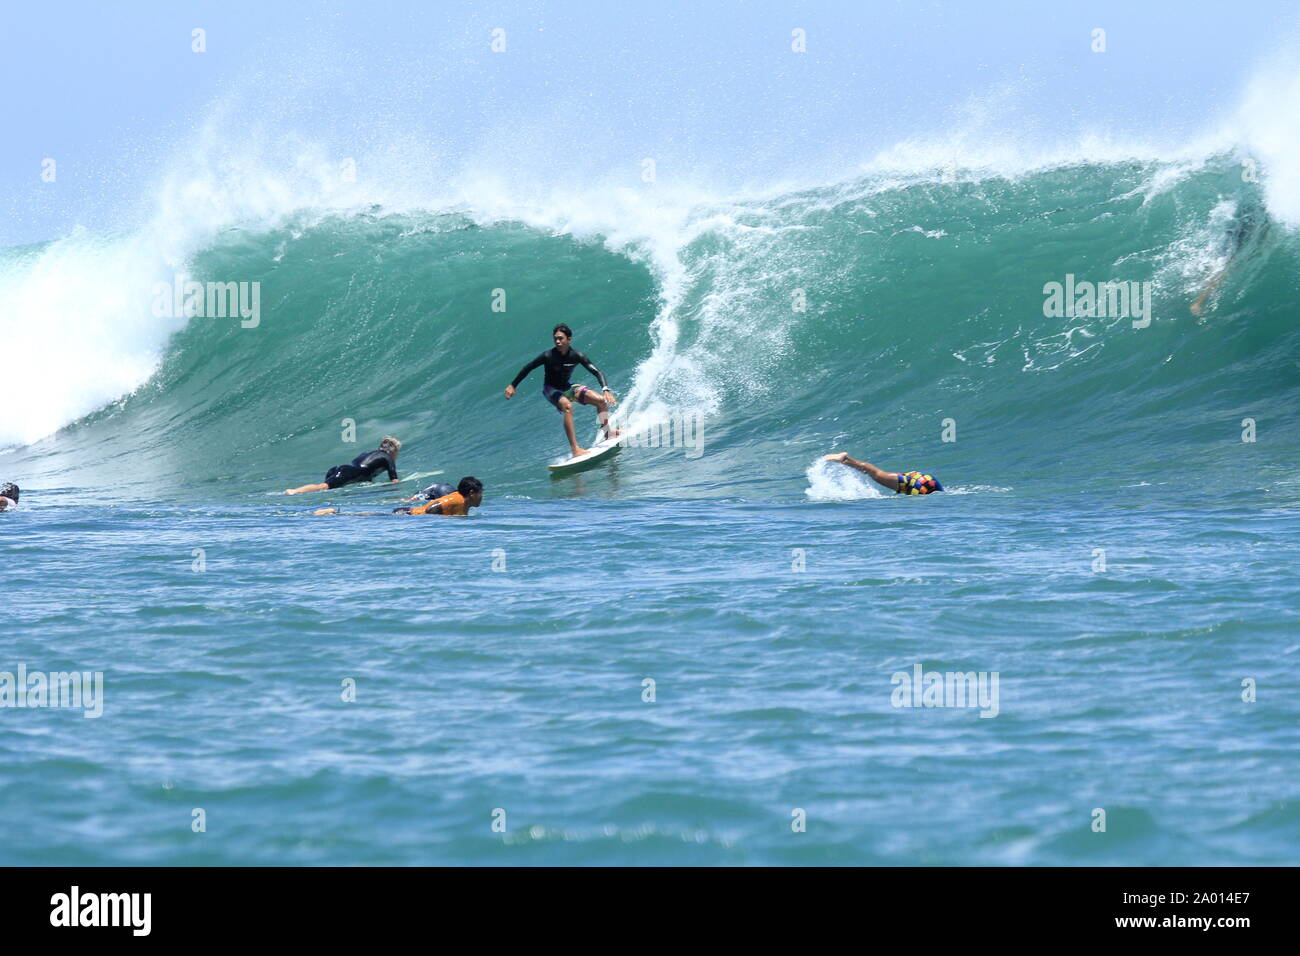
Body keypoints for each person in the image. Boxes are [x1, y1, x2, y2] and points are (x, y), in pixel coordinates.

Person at [505, 324, 619, 458]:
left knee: (600, 400)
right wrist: (513, 385)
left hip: (568, 386)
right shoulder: (548, 355)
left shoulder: (577, 355)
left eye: (561, 338)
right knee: (568, 407)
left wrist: (605, 389)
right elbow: (528, 368)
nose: (557, 341)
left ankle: (607, 433)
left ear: (569, 339)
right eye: (555, 339)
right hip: (550, 389)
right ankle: (575, 449)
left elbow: (596, 371)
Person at [314, 477, 483, 517]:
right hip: (407, 515)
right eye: (480, 493)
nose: (482, 497)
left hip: (408, 513)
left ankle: (335, 512)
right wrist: (423, 518)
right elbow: (433, 507)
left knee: (375, 517)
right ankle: (333, 512)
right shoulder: (456, 499)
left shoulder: (462, 501)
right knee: (373, 517)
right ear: (471, 493)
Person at [285, 437, 402, 495]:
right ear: (393, 451)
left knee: (326, 489)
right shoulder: (387, 458)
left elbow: (366, 471)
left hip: (341, 469)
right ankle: (294, 491)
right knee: (322, 487)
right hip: (349, 472)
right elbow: (394, 480)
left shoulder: (368, 453)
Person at [823, 452, 943, 495]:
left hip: (922, 480)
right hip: (921, 485)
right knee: (875, 473)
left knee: (876, 473)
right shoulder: (912, 488)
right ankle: (844, 459)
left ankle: (845, 460)